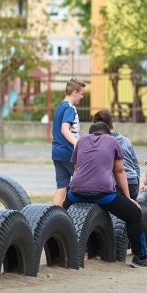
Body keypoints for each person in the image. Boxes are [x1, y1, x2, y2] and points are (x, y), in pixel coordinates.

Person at [64, 122, 147, 268]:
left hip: (75, 193)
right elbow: (119, 171)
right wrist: (128, 198)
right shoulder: (113, 140)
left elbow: (77, 168)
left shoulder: (81, 140)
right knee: (135, 215)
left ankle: (60, 254)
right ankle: (141, 257)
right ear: (107, 133)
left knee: (62, 217)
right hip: (103, 194)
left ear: (91, 133)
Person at [51, 78, 86, 206]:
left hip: (57, 152)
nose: (82, 97)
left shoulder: (60, 107)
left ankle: (53, 216)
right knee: (85, 183)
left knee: (62, 187)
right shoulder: (70, 108)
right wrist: (79, 144)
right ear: (75, 92)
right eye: (82, 93)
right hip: (69, 153)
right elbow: (65, 130)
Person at [92, 109, 141, 199]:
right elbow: (136, 165)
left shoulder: (94, 143)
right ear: (112, 126)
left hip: (115, 184)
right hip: (132, 181)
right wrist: (136, 185)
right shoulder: (125, 140)